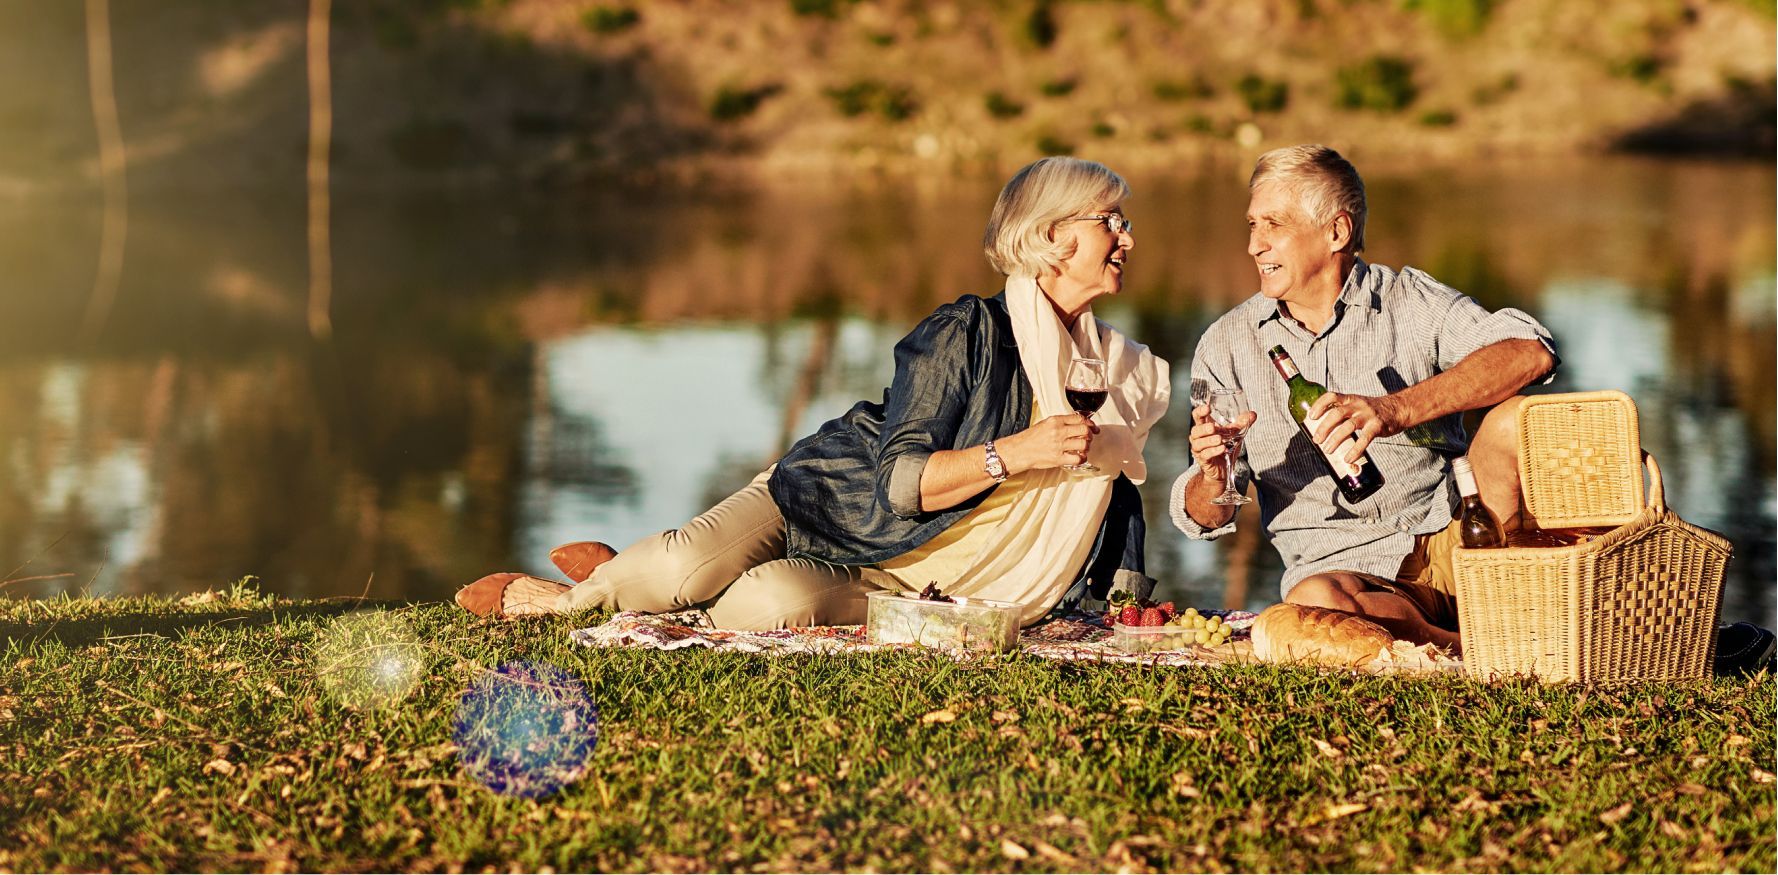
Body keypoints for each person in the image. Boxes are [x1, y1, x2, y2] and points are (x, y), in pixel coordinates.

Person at [458, 157, 1171, 630]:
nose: (1127, 238)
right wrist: (1017, 451)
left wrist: (1127, 591)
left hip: (907, 577)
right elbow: (900, 484)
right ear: (1052, 236)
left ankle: (642, 593)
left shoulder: (1116, 365)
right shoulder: (969, 330)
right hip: (827, 497)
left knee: (769, 601)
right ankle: (560, 602)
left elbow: (1109, 479)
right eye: (1109, 221)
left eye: (1126, 221)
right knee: (684, 566)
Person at [1171, 144, 1558, 651]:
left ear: (1337, 231)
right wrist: (1213, 473)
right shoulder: (1225, 345)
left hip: (1460, 539)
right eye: (1252, 225)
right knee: (1315, 601)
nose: (1255, 246)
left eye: (1274, 225)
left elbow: (1531, 352)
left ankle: (1478, 616)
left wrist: (1394, 410)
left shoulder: (1409, 302)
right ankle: (1463, 644)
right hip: (1350, 579)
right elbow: (1207, 516)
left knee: (1512, 420)